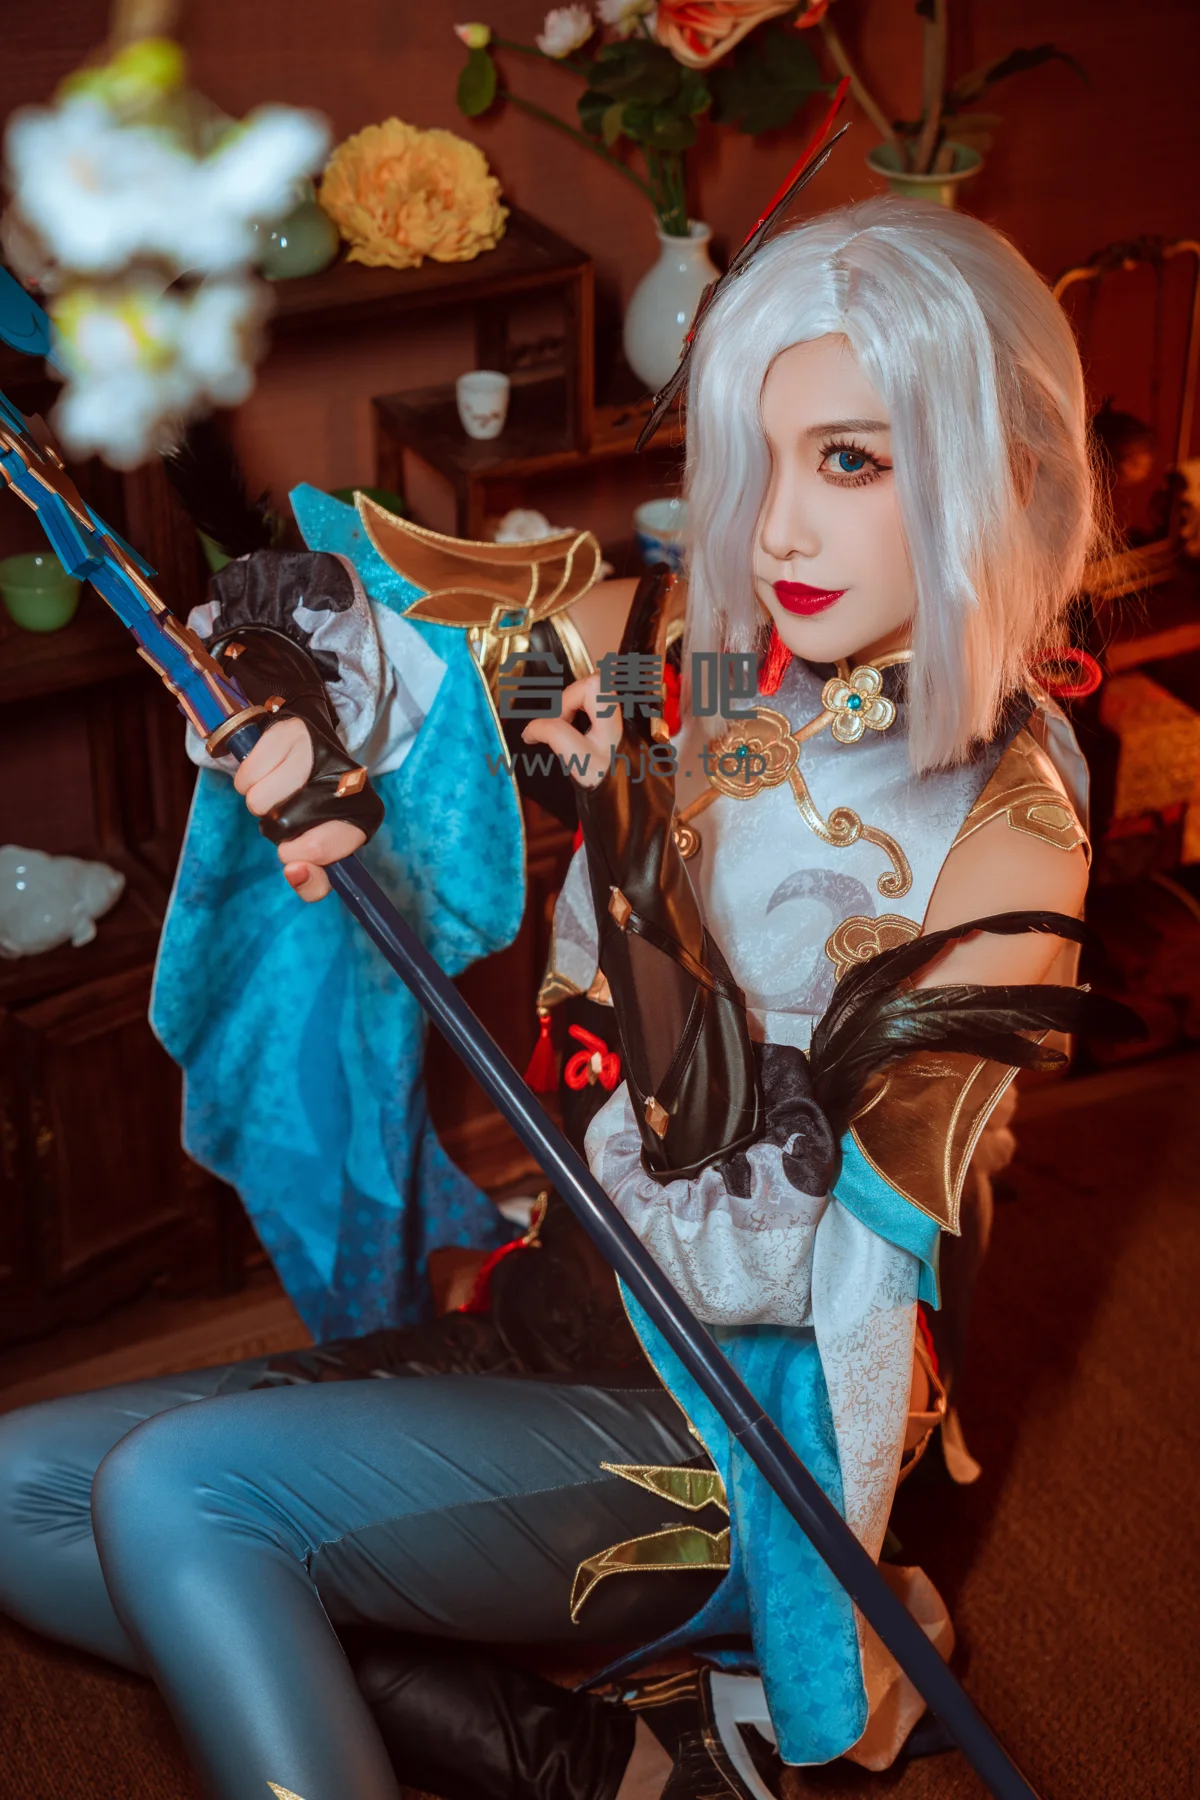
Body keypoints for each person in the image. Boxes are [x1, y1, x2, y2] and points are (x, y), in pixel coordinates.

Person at [0, 197, 1121, 1800]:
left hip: (740, 1425)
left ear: (992, 475)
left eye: (848, 461)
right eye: (757, 457)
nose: (776, 533)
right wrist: (310, 704)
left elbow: (782, 1256)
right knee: (24, 1489)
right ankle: (588, 1766)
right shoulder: (730, 673)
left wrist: (634, 845)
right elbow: (470, 648)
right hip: (553, 1308)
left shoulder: (1009, 845)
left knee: (181, 1498)